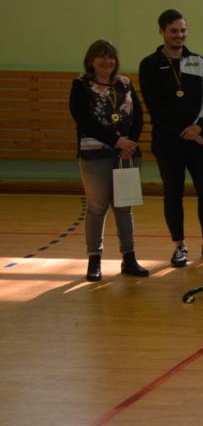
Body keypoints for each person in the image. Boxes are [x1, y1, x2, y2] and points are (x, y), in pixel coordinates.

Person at [138, 8, 203, 267]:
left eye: (183, 30)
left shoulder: (197, 61)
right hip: (168, 140)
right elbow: (154, 106)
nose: (179, 35)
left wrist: (197, 127)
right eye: (173, 31)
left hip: (199, 138)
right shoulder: (150, 64)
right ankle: (179, 246)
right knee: (173, 194)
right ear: (162, 31)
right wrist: (184, 132)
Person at [70, 39, 149, 281]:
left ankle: (129, 258)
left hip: (126, 155)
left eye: (110, 56)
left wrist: (130, 144)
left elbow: (138, 117)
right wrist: (117, 141)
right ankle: (94, 260)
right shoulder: (81, 85)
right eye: (101, 56)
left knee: (125, 208)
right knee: (97, 207)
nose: (107, 61)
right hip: (95, 155)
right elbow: (84, 120)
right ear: (91, 60)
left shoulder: (124, 83)